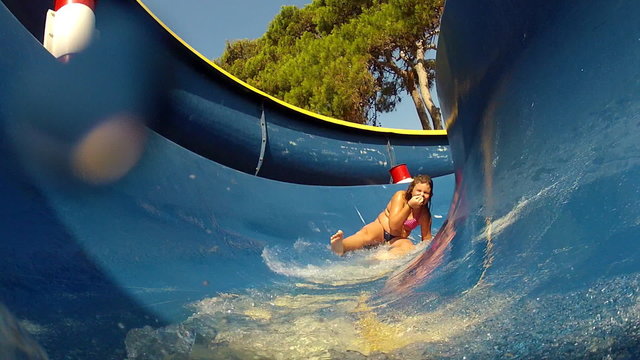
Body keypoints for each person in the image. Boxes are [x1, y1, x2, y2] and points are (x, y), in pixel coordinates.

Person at [330, 174, 433, 257]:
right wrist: (410, 206)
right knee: (366, 234)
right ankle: (341, 246)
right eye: (419, 191)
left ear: (430, 195)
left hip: (397, 239)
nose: (422, 195)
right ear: (411, 190)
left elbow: (426, 241)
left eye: (426, 193)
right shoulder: (400, 197)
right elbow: (394, 225)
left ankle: (379, 259)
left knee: (408, 246)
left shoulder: (424, 214)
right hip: (381, 229)